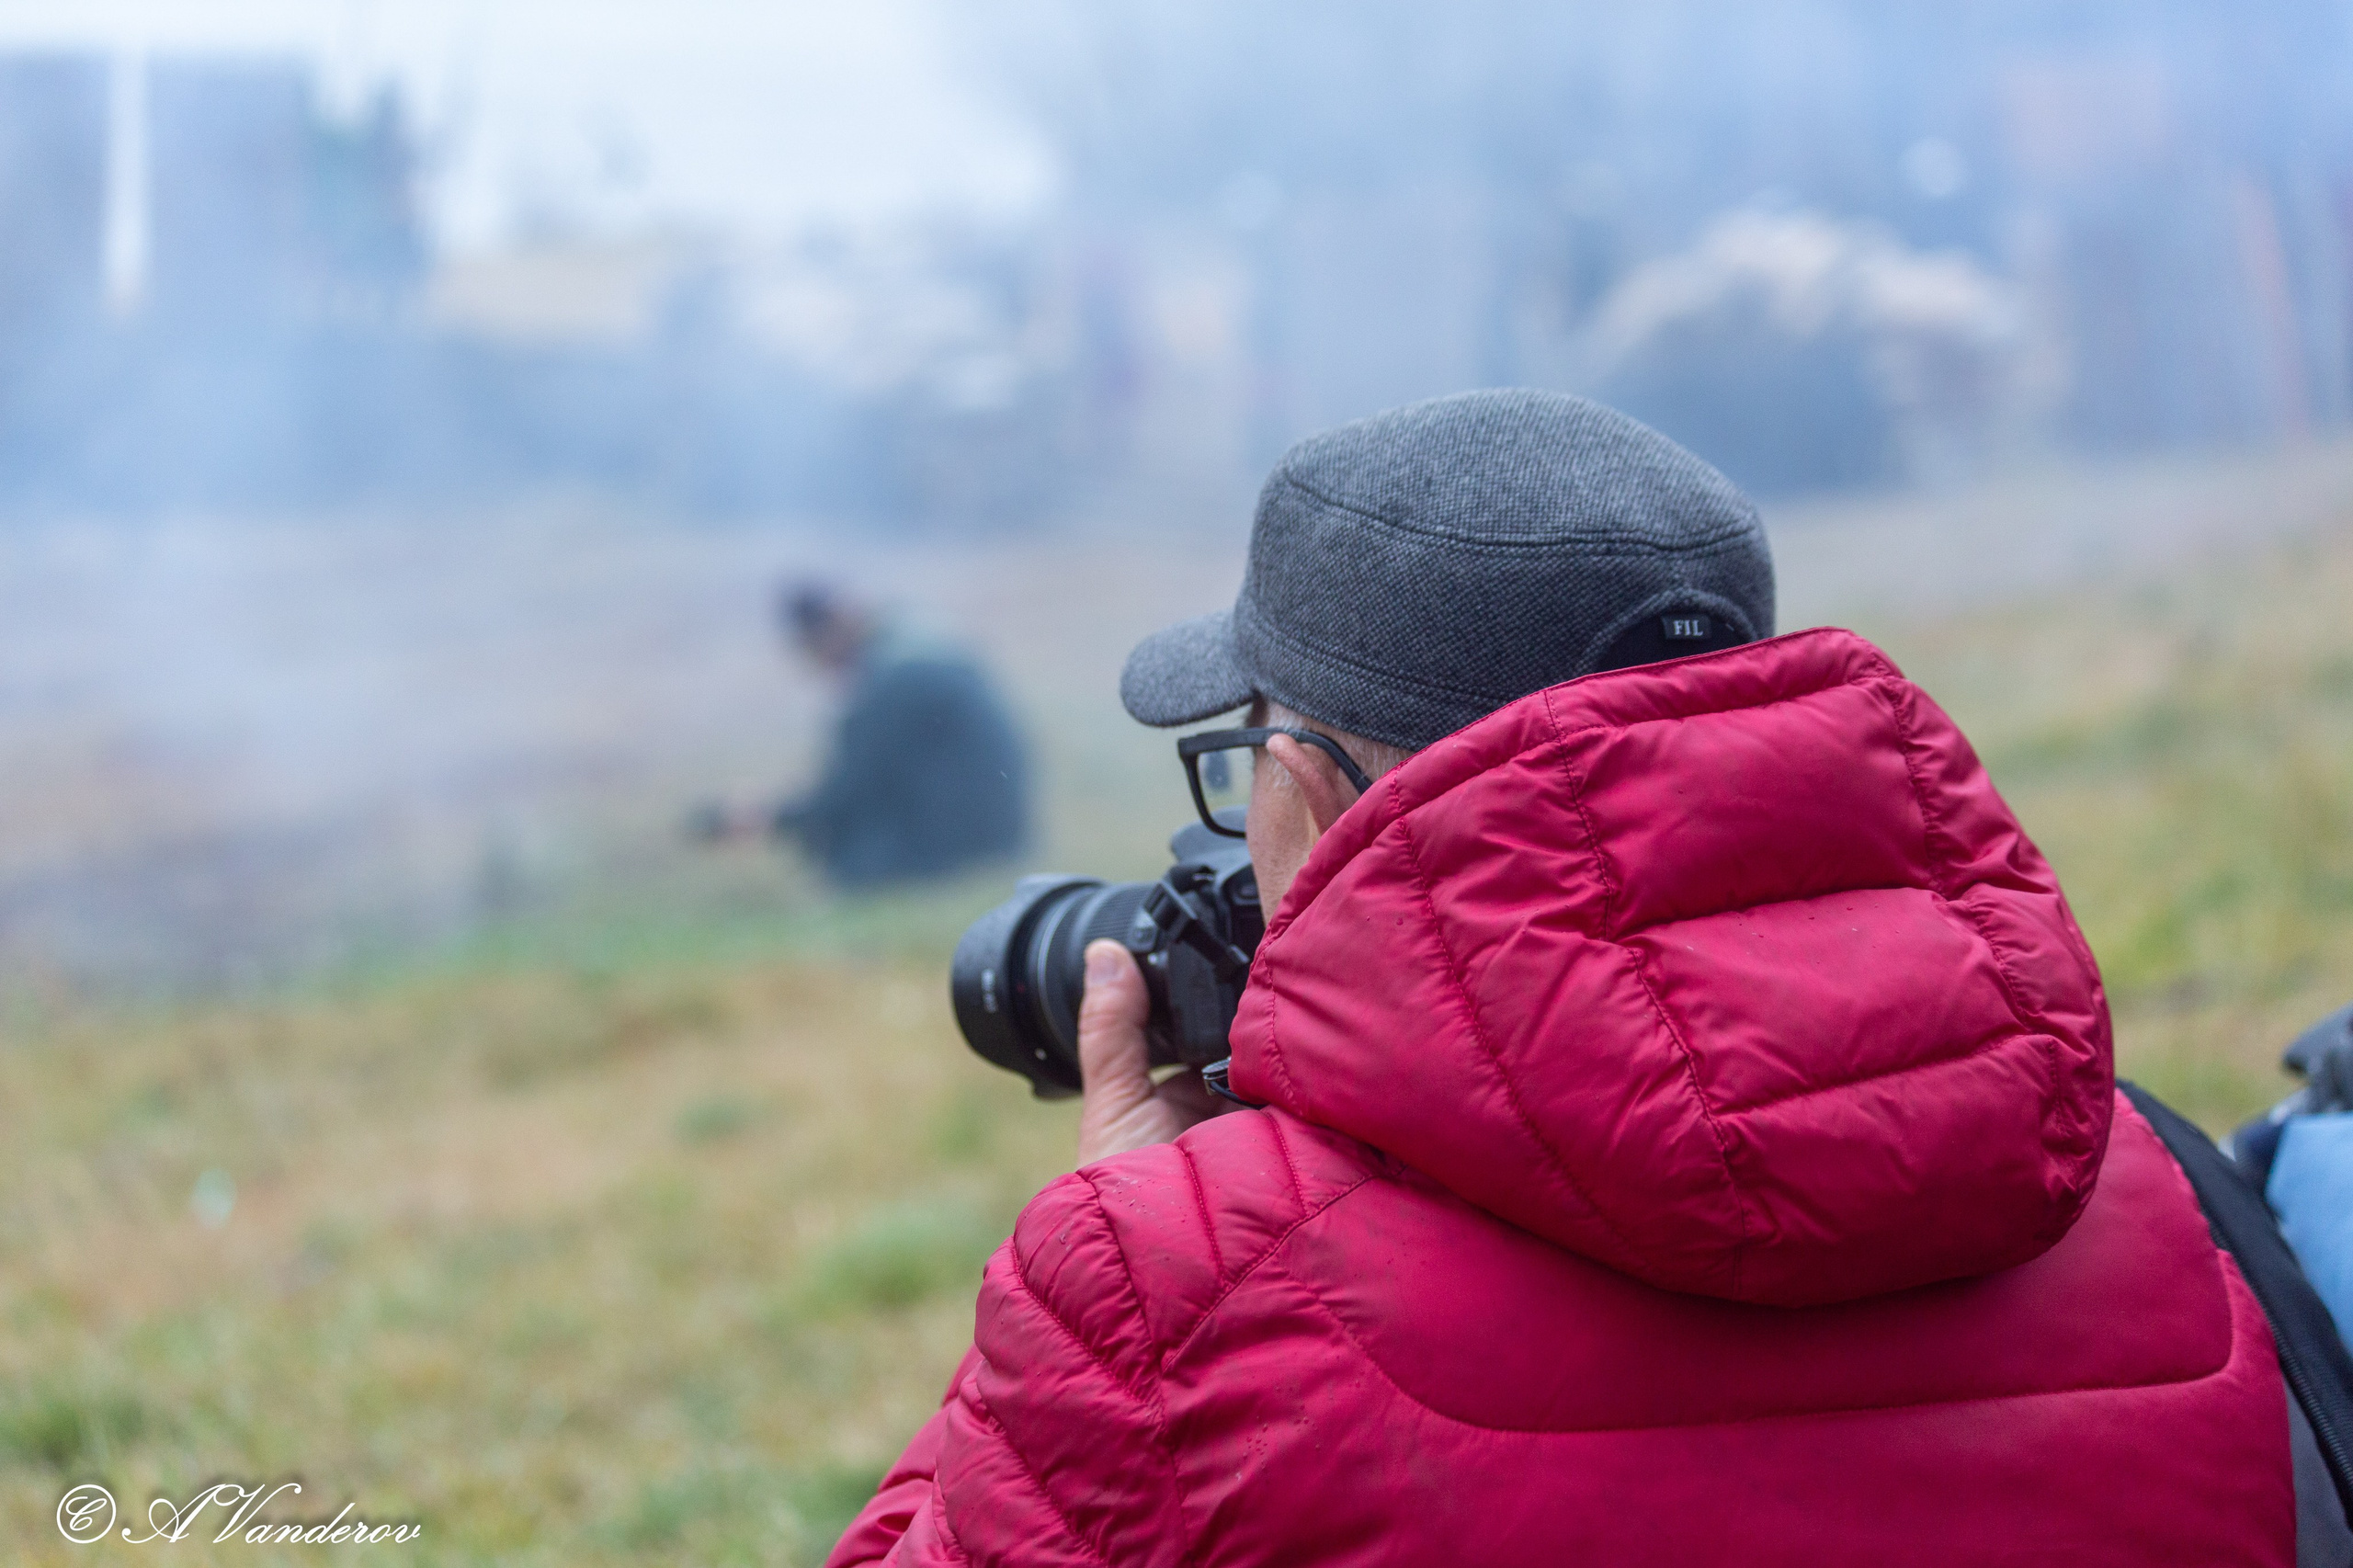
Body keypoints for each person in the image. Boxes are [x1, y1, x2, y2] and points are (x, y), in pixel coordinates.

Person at [828, 390, 2347, 1564]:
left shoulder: (1176, 1294)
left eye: (1242, 764)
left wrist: (1126, 1249)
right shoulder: (2156, 1168)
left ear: (1309, 780)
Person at [694, 583, 1028, 889]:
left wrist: (763, 817)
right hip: (999, 835)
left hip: (963, 846)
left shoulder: (896, 681)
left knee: (848, 860)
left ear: (831, 629)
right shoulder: (919, 647)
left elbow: (844, 796)